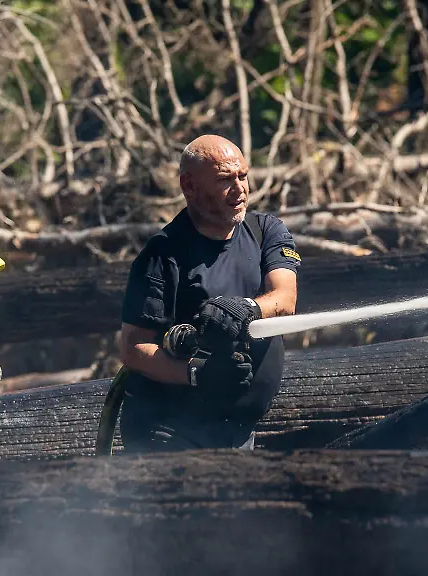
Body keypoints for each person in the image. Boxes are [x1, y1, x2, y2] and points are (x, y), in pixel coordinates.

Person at [116, 134, 300, 452]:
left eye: (243, 176)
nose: (240, 189)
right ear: (189, 186)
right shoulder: (162, 255)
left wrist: (246, 309)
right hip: (168, 433)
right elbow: (133, 348)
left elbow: (285, 298)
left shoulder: (266, 230)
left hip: (237, 432)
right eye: (224, 180)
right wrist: (196, 373)